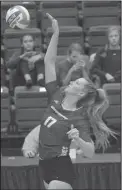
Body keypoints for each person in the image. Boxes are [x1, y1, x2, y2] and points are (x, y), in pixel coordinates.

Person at [22, 14, 116, 190]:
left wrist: (78, 139)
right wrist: (56, 33)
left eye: (76, 82)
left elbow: (90, 152)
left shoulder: (78, 117)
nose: (72, 81)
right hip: (44, 165)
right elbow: (48, 61)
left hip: (61, 167)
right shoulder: (56, 95)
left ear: (80, 93)